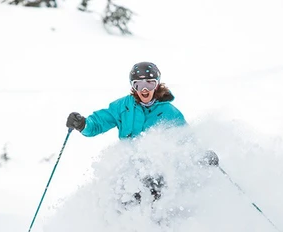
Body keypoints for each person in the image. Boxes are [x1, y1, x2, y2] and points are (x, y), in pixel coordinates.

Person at [65, 61, 218, 205]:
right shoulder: (123, 106)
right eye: (139, 85)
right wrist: (83, 124)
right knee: (119, 195)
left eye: (149, 84)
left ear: (157, 85)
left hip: (157, 171)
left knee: (152, 190)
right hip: (129, 169)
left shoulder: (169, 112)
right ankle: (120, 226)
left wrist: (200, 156)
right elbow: (99, 122)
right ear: (133, 87)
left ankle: (156, 225)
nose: (144, 90)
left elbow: (186, 139)